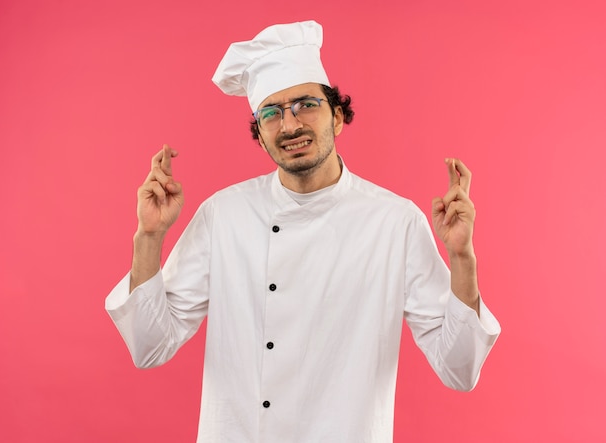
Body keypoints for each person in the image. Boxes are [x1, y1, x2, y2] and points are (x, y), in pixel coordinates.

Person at [105, 20, 500, 442]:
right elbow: (149, 348)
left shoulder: (394, 222)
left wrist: (463, 259)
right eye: (271, 114)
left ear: (338, 116)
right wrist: (148, 238)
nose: (289, 125)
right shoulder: (225, 215)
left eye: (305, 104)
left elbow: (459, 370)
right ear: (259, 134)